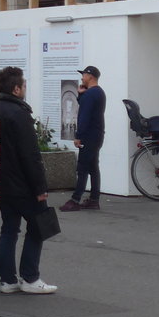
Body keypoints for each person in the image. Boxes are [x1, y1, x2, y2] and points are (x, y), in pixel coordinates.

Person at [0, 66, 57, 295]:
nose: (25, 89)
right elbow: (30, 155)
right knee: (38, 227)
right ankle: (30, 277)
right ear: (16, 89)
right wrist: (40, 187)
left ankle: (7, 280)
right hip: (23, 185)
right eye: (24, 85)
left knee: (9, 229)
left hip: (3, 183)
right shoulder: (19, 114)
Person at [61, 65, 106, 212]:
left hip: (89, 136)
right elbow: (88, 109)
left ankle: (75, 200)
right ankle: (94, 200)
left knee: (82, 168)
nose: (82, 77)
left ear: (90, 77)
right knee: (93, 167)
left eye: (84, 75)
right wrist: (81, 95)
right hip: (97, 135)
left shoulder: (91, 94)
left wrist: (78, 136)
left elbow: (84, 116)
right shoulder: (99, 92)